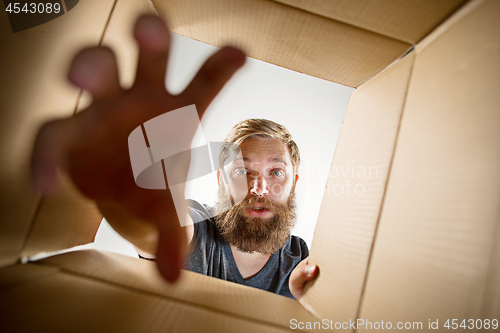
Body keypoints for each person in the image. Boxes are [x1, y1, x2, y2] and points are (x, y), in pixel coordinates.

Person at [30, 14, 317, 300]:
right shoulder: (197, 226)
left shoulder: (300, 259)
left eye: (276, 172)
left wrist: (301, 301)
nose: (258, 188)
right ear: (221, 180)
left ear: (294, 182)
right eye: (242, 171)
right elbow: (156, 232)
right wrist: (132, 199)